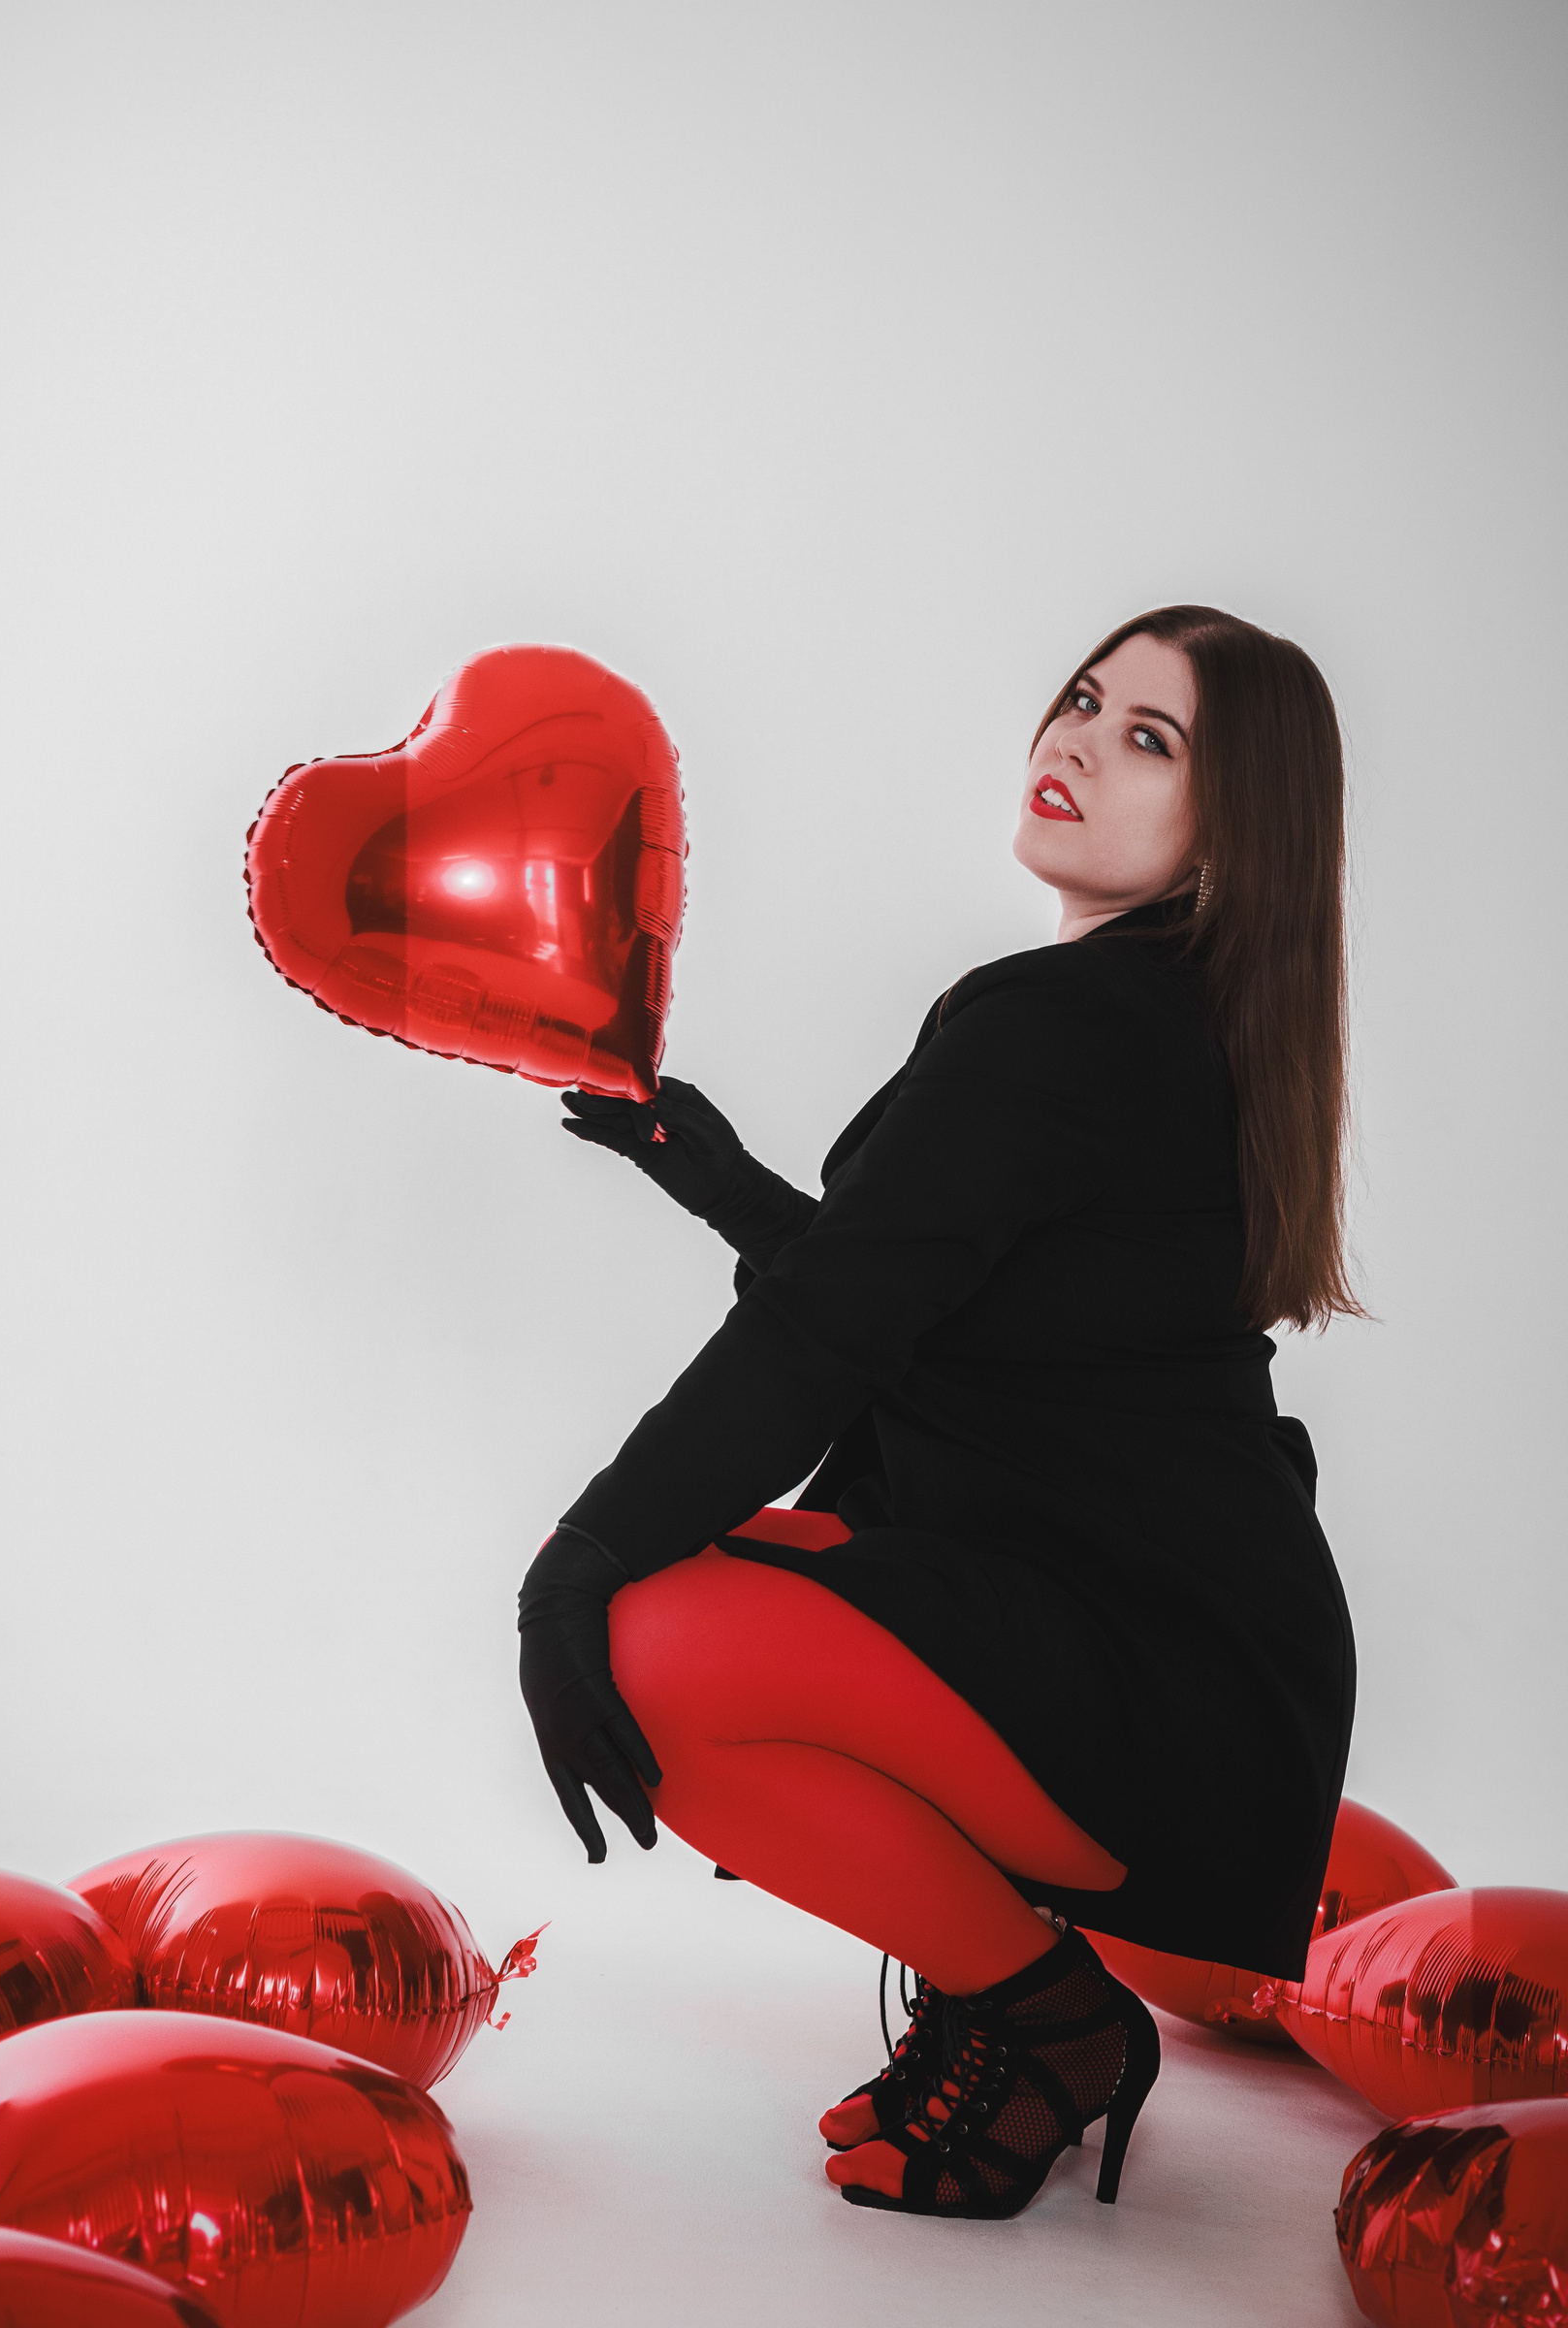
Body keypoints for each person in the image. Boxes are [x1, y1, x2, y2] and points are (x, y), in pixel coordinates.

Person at [517, 604, 1359, 2219]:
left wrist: (573, 1561)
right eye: (1084, 701)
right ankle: (1007, 2001)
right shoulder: (1169, 1013)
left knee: (644, 1637)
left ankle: (1047, 2023)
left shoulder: (1067, 1019)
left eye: (1148, 740)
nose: (1076, 744)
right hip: (1196, 1675)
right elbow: (964, 1315)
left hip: (1146, 1678)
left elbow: (838, 1330)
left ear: (1234, 822)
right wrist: (728, 1187)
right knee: (734, 1578)